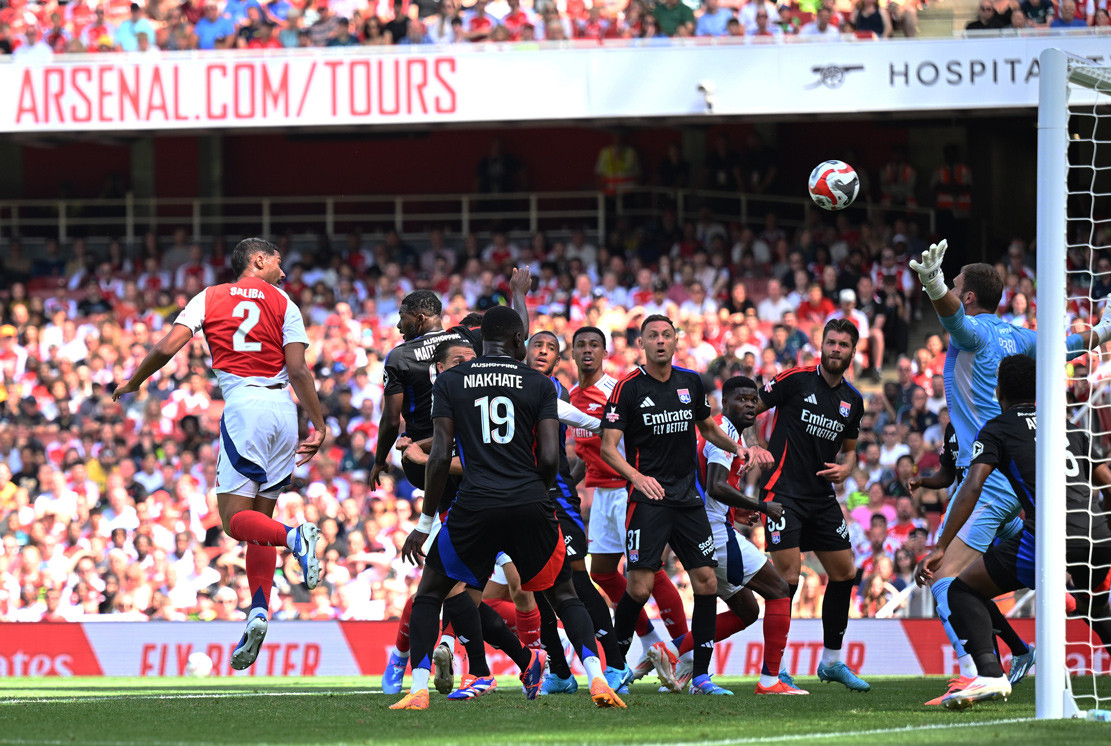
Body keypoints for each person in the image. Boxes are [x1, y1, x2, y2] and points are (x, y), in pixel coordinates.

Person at [390, 306, 625, 710]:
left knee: (431, 593)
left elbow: (441, 453)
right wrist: (543, 494)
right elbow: (551, 455)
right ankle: (598, 678)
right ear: (519, 341)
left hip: (475, 505)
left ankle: (418, 690)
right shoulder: (540, 384)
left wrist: (425, 521)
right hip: (530, 502)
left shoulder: (451, 381)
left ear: (483, 342)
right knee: (564, 593)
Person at [907, 239, 1111, 701]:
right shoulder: (1020, 337)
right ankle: (1022, 647)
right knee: (1025, 572)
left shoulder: (974, 332)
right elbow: (1071, 345)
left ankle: (975, 671)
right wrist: (1104, 328)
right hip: (1012, 479)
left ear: (971, 297)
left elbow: (951, 315)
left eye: (959, 285)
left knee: (946, 579)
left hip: (992, 476)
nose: (955, 291)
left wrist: (933, 281)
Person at [112, 238, 326, 671]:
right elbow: (299, 370)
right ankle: (260, 610)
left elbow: (166, 347)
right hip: (284, 410)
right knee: (258, 523)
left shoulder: (209, 297)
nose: (283, 273)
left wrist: (135, 381)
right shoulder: (285, 303)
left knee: (232, 522)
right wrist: (319, 424)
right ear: (258, 260)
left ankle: (296, 537)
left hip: (244, 406)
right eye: (278, 264)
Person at [373, 281, 528, 693]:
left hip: (438, 465)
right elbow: (516, 337)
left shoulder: (401, 356)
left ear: (420, 316)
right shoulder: (465, 338)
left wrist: (381, 459)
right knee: (459, 582)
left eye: (403, 316)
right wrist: (520, 297)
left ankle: (415, 656)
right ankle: (498, 663)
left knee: (452, 582)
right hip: (478, 460)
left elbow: (391, 421)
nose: (398, 324)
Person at [600, 314, 757, 696]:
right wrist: (636, 478)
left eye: (666, 335)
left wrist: (737, 447)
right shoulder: (628, 388)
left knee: (705, 582)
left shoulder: (691, 383)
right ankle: (616, 668)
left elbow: (707, 427)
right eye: (652, 336)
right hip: (649, 500)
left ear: (675, 341)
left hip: (688, 501)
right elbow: (607, 447)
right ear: (642, 344)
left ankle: (700, 676)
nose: (659, 341)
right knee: (638, 588)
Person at [645, 376, 804, 695]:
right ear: (724, 402)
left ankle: (674, 657)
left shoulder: (718, 429)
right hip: (712, 531)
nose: (748, 405)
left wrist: (739, 511)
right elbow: (717, 485)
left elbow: (709, 484)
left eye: (752, 400)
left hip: (701, 525)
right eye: (741, 399)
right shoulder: (725, 432)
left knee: (747, 610)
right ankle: (771, 680)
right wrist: (762, 505)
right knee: (778, 589)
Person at [745, 318, 870, 692]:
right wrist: (753, 443)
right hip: (782, 494)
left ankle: (831, 661)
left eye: (843, 345)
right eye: (830, 342)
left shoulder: (853, 401)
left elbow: (850, 452)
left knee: (845, 572)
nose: (835, 349)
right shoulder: (795, 379)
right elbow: (750, 406)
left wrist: (846, 469)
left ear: (851, 352)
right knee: (788, 580)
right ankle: (775, 670)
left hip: (821, 497)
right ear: (821, 344)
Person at [569, 325, 682, 680]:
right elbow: (582, 458)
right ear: (571, 354)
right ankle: (652, 643)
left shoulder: (616, 391)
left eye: (594, 345)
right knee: (601, 571)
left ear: (605, 353)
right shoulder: (571, 396)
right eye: (580, 345)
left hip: (627, 490)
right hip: (601, 494)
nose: (587, 351)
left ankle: (684, 650)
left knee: (650, 571)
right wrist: (559, 485)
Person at [524, 331, 632, 695]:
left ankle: (615, 665)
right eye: (536, 345)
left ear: (558, 361)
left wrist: (605, 425)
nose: (542, 351)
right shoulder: (514, 383)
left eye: (550, 348)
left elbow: (577, 424)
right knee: (534, 587)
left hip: (556, 499)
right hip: (521, 500)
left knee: (577, 582)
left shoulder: (553, 389)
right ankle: (559, 671)